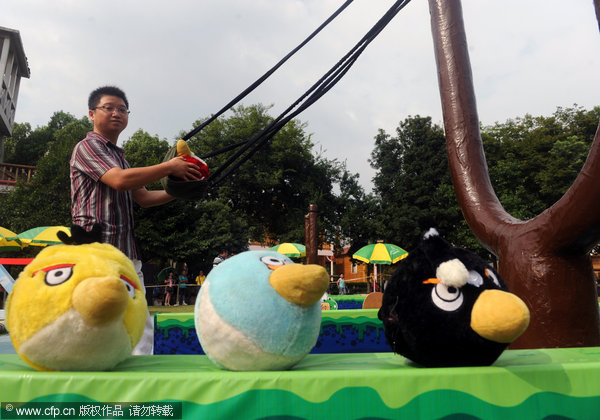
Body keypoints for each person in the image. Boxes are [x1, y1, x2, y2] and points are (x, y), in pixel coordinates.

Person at [68, 86, 203, 355]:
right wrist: (169, 167)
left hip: (126, 254)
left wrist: (182, 192)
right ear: (91, 114)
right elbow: (118, 180)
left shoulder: (120, 157)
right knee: (94, 321)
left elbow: (143, 197)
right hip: (96, 254)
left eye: (122, 109)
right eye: (109, 107)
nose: (117, 113)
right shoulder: (87, 147)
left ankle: (140, 390)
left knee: (138, 323)